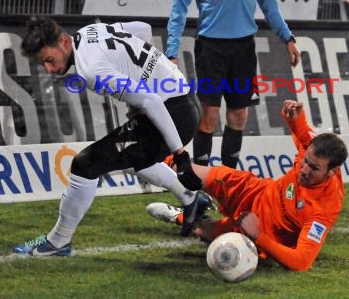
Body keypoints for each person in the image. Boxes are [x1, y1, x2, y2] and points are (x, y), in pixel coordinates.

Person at [13, 17, 211, 256]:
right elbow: (143, 29)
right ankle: (191, 199)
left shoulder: (90, 70)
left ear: (64, 42)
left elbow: (151, 100)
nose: (49, 69)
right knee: (124, 156)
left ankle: (58, 242)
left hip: (174, 113)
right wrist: (145, 73)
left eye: (49, 60)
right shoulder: (89, 31)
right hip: (183, 101)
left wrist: (180, 155)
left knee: (85, 164)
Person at [165, 0, 301, 170]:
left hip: (243, 50)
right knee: (209, 114)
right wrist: (171, 53)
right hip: (210, 49)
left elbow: (269, 4)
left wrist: (288, 38)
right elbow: (178, 10)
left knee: (238, 115)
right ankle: (200, 179)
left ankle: (229, 179)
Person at [148, 100, 348, 271]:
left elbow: (301, 262)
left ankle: (183, 216)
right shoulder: (312, 150)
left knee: (204, 233)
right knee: (185, 170)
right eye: (304, 161)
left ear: (332, 172)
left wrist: (258, 235)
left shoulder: (325, 208)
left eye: (313, 168)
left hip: (261, 230)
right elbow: (303, 133)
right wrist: (295, 117)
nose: (304, 170)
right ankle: (142, 155)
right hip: (253, 191)